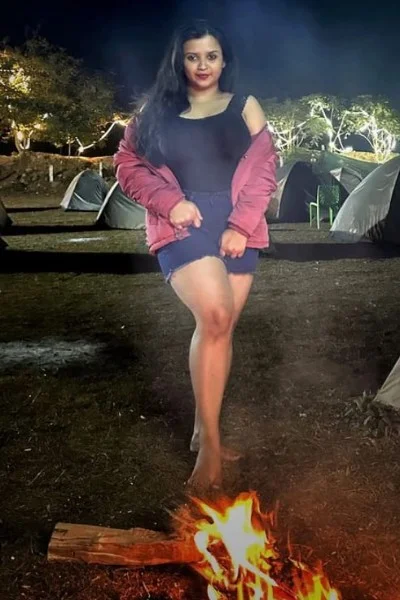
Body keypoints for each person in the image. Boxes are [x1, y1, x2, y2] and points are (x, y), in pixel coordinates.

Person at [114, 19, 277, 493]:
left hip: (239, 226)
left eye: (211, 56)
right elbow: (127, 166)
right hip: (182, 223)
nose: (202, 65)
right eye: (192, 56)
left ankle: (202, 430)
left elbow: (265, 169)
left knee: (220, 328)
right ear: (179, 61)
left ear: (223, 61)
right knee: (216, 314)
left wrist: (240, 226)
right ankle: (210, 447)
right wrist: (171, 204)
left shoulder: (245, 106)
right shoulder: (154, 112)